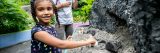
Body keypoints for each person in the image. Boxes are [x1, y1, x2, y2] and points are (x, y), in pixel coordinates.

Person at [30, 0, 96, 53]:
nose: (46, 12)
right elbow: (61, 44)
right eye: (41, 9)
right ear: (35, 12)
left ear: (53, 10)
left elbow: (55, 43)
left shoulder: (50, 27)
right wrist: (88, 41)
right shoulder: (38, 32)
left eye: (49, 9)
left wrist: (66, 41)